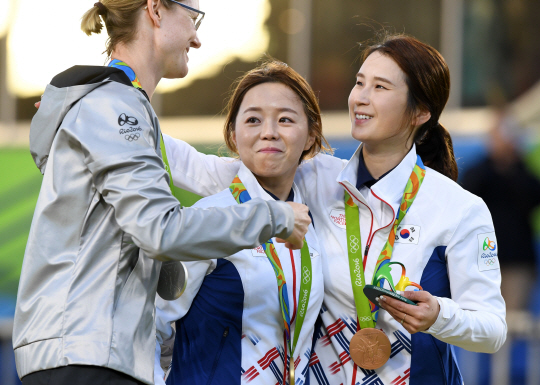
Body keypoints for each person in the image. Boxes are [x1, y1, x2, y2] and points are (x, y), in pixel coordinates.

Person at [159, 34, 507, 385]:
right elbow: (218, 173)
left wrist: (439, 317)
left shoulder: (460, 208)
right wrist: (123, 118)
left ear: (420, 112)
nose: (361, 98)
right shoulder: (316, 177)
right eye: (360, 83)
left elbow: (492, 329)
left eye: (381, 87)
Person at [13, 2, 311, 385]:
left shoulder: (115, 106)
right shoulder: (114, 106)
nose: (197, 38)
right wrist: (276, 218)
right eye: (193, 17)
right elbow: (161, 230)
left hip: (87, 352)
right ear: (155, 10)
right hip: (85, 357)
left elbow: (159, 215)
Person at [154, 61, 330, 385]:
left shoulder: (318, 221)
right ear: (234, 136)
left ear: (311, 135)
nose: (269, 132)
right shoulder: (205, 220)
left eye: (286, 119)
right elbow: (150, 326)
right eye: (253, 119)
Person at [462, 109, 540, 312]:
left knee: (512, 319)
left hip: (517, 260)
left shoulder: (523, 173)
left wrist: (512, 163)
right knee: (483, 317)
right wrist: (496, 160)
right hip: (483, 257)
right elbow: (469, 195)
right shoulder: (479, 171)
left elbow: (530, 197)